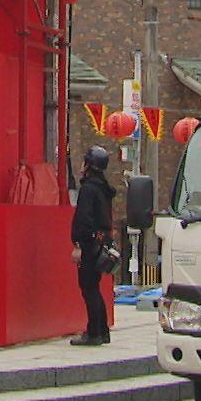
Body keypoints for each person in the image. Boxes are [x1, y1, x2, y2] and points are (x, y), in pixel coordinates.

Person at [70, 145, 116, 346]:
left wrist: (78, 244)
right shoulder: (103, 189)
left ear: (89, 165)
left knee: (88, 288)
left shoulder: (88, 189)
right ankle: (103, 331)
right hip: (101, 242)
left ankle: (94, 332)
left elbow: (83, 220)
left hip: (90, 244)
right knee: (94, 287)